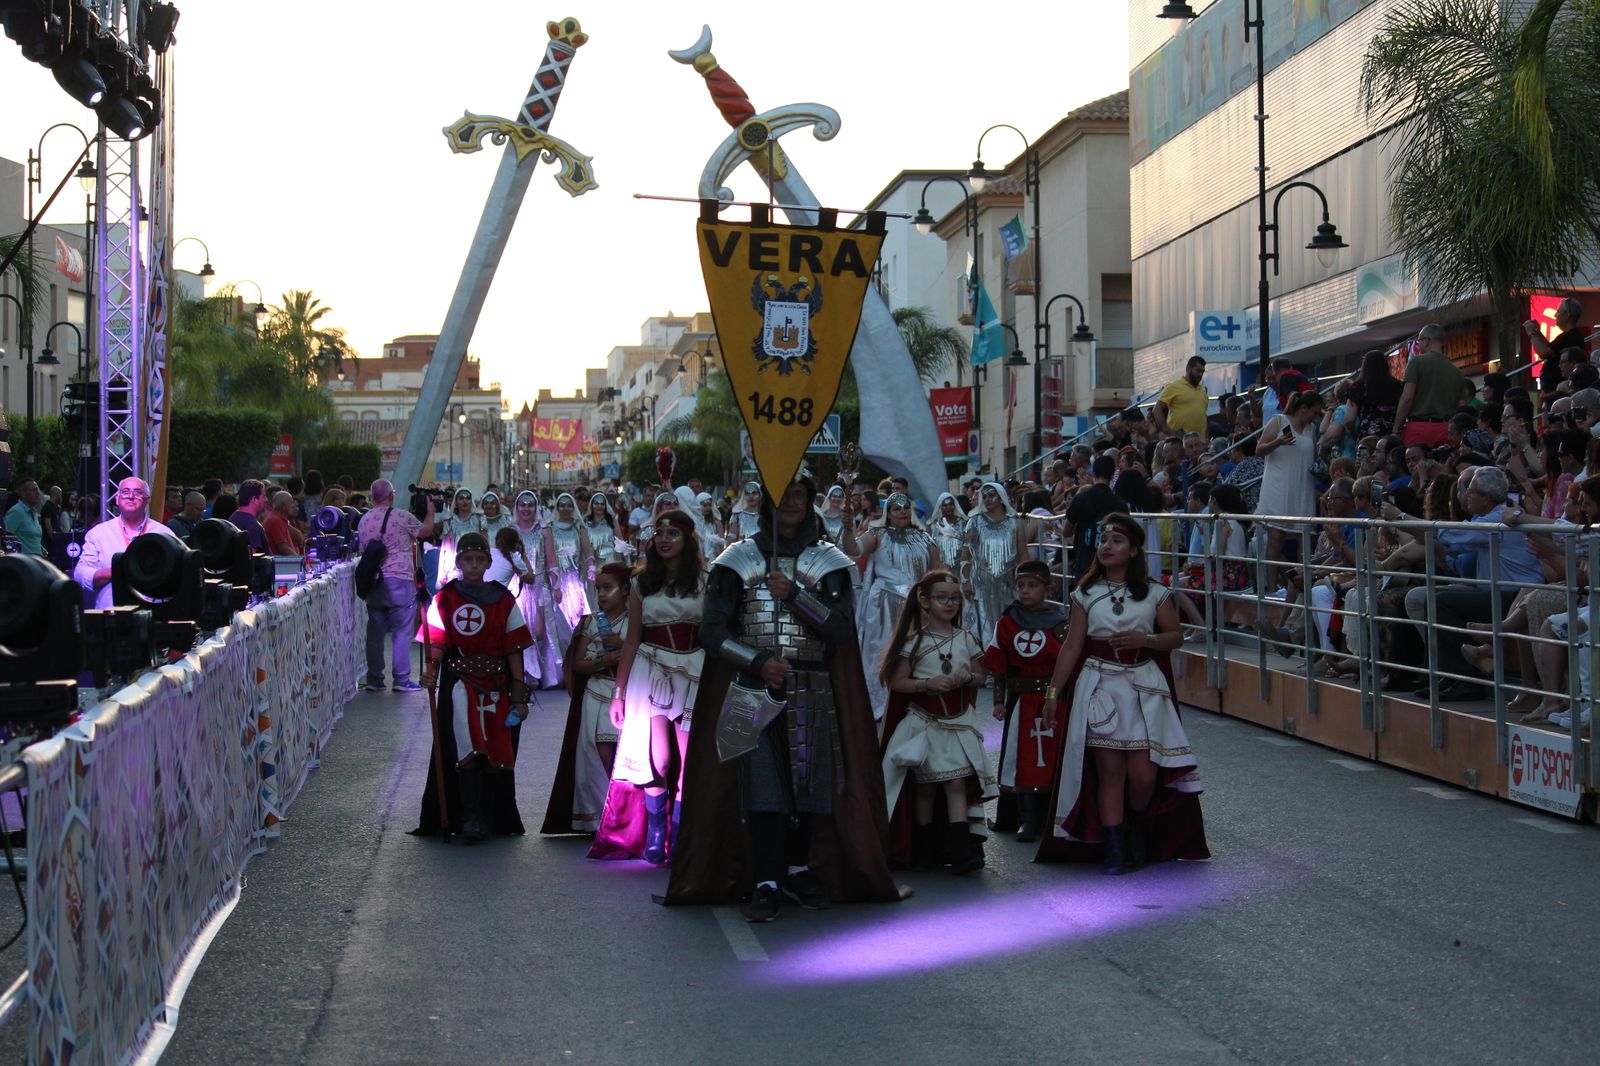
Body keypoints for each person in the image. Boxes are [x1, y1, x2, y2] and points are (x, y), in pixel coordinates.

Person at [664, 474, 902, 922]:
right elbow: (712, 632)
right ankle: (766, 880)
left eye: (799, 495)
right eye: (783, 495)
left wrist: (795, 595)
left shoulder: (829, 561)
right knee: (761, 788)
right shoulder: (736, 559)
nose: (792, 502)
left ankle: (796, 869)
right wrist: (756, 663)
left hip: (811, 686)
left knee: (809, 786)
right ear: (768, 504)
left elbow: (839, 630)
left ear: (811, 502)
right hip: (750, 687)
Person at [1036, 513, 1209, 874]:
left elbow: (1175, 636)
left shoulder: (1155, 593)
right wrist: (1053, 694)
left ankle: (1135, 828)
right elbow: (1071, 646)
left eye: (1116, 541)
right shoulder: (1086, 594)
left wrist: (1144, 639)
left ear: (1133, 549)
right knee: (1111, 771)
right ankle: (1116, 846)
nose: (1106, 547)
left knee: (1145, 774)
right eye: (1103, 540)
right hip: (1100, 687)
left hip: (1144, 687)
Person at [590, 509, 705, 864]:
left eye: (674, 533)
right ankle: (657, 833)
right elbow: (632, 640)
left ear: (687, 540)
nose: (666, 539)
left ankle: (680, 830)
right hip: (651, 669)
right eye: (660, 533)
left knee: (689, 759)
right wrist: (619, 693)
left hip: (694, 669)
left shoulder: (705, 581)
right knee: (659, 758)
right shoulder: (641, 584)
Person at [413, 532, 533, 842]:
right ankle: (469, 816)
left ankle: (488, 816)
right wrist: (431, 671)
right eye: (468, 560)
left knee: (495, 748)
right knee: (466, 746)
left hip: (496, 685)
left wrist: (519, 693)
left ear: (489, 563)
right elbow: (436, 642)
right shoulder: (446, 598)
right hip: (460, 684)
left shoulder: (504, 599)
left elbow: (513, 649)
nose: (474, 565)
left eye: (480, 560)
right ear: (459, 562)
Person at [879, 570, 995, 873]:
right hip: (924, 724)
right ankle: (924, 850)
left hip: (957, 724)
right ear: (924, 601)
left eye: (954, 598)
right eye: (942, 597)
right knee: (926, 788)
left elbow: (982, 674)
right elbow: (897, 681)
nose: (950, 603)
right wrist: (926, 684)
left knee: (956, 782)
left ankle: (960, 850)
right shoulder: (914, 642)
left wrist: (969, 677)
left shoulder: (967, 638)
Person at [542, 561, 632, 836]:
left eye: (609, 588)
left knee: (624, 757)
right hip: (596, 693)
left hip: (628, 695)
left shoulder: (635, 622)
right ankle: (601, 816)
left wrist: (625, 648)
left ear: (626, 590)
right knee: (599, 754)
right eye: (598, 588)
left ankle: (626, 816)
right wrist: (601, 661)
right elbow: (577, 664)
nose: (602, 594)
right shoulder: (592, 622)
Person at [981, 560, 1067, 842]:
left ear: (1048, 589)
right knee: (1020, 759)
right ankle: (1023, 818)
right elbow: (998, 665)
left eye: (1032, 586)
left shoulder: (1059, 624)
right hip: (1021, 701)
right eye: (1021, 586)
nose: (1025, 591)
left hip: (1051, 701)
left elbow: (1068, 663)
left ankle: (1049, 817)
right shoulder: (1007, 622)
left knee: (1050, 758)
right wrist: (998, 701)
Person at [844, 490, 942, 721]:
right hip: (884, 606)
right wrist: (848, 527)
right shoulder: (878, 534)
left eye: (906, 507)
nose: (903, 511)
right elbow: (853, 550)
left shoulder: (925, 538)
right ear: (888, 513)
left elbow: (938, 571)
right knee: (882, 652)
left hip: (918, 605)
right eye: (897, 508)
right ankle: (879, 705)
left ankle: (916, 699)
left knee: (916, 652)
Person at [357, 479, 435, 693]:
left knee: (375, 630)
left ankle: (374, 679)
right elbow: (426, 531)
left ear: (373, 496)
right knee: (402, 631)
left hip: (374, 581)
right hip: (399, 580)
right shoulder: (401, 516)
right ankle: (401, 679)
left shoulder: (364, 520)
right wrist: (430, 511)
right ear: (391, 495)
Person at [73, 478, 179, 607]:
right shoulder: (98, 533)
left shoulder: (164, 533)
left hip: (153, 612)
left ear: (148, 500)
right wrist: (117, 570)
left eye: (137, 492)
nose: (130, 496)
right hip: (110, 614)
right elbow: (80, 574)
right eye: (125, 491)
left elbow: (176, 575)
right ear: (117, 499)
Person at [1256, 390, 1323, 566]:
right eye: (1314, 412)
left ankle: (1302, 586)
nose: (1315, 417)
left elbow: (1312, 456)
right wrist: (1279, 441)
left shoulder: (1312, 429)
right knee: (1276, 537)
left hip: (1303, 485)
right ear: (1303, 408)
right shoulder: (1279, 421)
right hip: (1278, 486)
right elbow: (1259, 449)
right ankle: (1271, 588)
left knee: (1305, 537)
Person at [960, 482, 1025, 648]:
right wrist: (964, 580)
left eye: (991, 495)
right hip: (981, 583)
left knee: (1009, 623)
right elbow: (965, 553)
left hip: (1008, 582)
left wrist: (1026, 580)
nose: (987, 499)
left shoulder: (1015, 523)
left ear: (1002, 497)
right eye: (985, 495)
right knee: (985, 626)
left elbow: (1023, 553)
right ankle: (989, 665)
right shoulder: (973, 522)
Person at [1394, 323, 1471, 447]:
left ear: (1426, 340)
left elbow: (1407, 398)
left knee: (1414, 464)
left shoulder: (1416, 363)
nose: (1418, 345)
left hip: (1418, 429)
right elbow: (1461, 407)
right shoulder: (1457, 372)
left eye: (1419, 341)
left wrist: (1396, 429)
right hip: (1446, 430)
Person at [1063, 455, 1122, 584]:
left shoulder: (1080, 498)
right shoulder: (1119, 503)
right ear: (1112, 475)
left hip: (1084, 560)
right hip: (1112, 563)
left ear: (1093, 473)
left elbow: (1066, 531)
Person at [544, 492, 594, 631]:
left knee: (576, 614)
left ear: (573, 508)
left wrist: (591, 566)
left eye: (568, 506)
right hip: (555, 578)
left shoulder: (579, 526)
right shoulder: (550, 527)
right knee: (557, 618)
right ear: (557, 508)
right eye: (562, 506)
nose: (565, 508)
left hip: (574, 578)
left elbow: (587, 549)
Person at [1153, 355, 1209, 437]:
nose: (1200, 374)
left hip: (1199, 442)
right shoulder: (1173, 386)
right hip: (1180, 442)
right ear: (1188, 368)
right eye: (1197, 371)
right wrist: (1167, 430)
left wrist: (1206, 437)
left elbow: (1203, 417)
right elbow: (1157, 410)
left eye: (1202, 372)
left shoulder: (1203, 390)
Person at [437, 488, 482, 585]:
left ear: (471, 501)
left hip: (476, 565)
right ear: (456, 502)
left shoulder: (479, 519)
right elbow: (446, 547)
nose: (465, 501)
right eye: (461, 498)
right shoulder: (449, 521)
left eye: (467, 498)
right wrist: (444, 571)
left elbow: (485, 544)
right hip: (455, 566)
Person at [4, 479, 45, 555]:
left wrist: (41, 548)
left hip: (35, 563)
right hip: (23, 564)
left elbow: (30, 538)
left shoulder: (33, 512)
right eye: (34, 490)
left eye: (37, 490)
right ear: (23, 494)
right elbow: (5, 539)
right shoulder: (16, 512)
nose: (38, 493)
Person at [263, 491, 306, 556]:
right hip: (280, 564)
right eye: (291, 502)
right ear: (284, 507)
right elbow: (283, 548)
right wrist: (298, 561)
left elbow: (300, 539)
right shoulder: (276, 521)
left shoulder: (280, 520)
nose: (294, 505)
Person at [231, 478, 268, 551]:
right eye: (263, 496)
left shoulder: (233, 517)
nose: (266, 500)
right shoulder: (251, 525)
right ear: (254, 500)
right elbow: (251, 556)